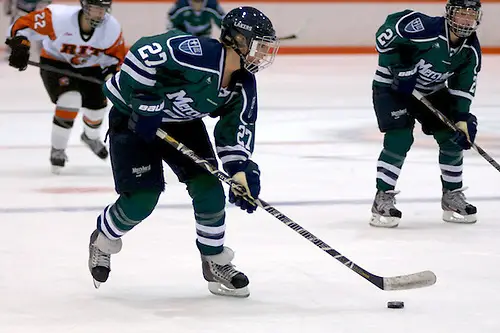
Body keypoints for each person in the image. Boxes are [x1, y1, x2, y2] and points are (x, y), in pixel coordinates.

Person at [87, 6, 279, 297]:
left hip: (182, 124)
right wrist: (143, 97)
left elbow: (234, 131)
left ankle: (214, 260)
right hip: (133, 118)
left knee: (210, 187)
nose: (263, 54)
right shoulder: (197, 52)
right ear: (237, 40)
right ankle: (103, 239)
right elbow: (144, 51)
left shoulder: (242, 85)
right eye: (259, 45)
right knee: (142, 199)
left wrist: (239, 170)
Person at [370, 0, 482, 228]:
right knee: (400, 137)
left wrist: (461, 118)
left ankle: (452, 196)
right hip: (392, 87)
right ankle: (383, 197)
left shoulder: (470, 49)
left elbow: (463, 85)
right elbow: (387, 32)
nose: (466, 20)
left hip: (431, 91)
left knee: (453, 136)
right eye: (462, 14)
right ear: (450, 14)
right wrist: (397, 65)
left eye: (471, 15)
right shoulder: (425, 28)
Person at [6, 0, 126, 174]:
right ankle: (58, 149)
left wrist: (110, 75)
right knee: (70, 99)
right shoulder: (57, 18)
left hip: (91, 68)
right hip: (56, 63)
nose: (100, 14)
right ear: (84, 6)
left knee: (97, 110)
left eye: (104, 10)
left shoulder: (111, 28)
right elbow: (22, 25)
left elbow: (115, 58)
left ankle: (90, 137)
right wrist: (20, 46)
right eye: (96, 9)